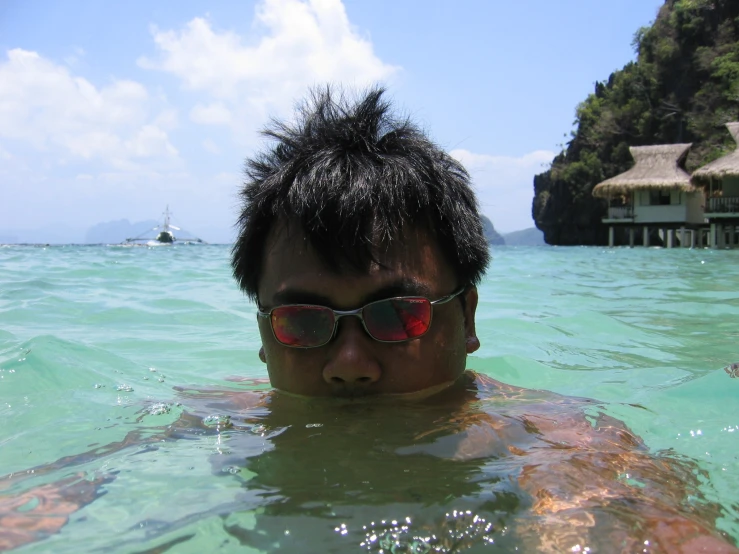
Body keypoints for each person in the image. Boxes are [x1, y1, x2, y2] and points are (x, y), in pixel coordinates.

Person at [2, 86, 738, 553]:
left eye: (397, 313)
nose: (348, 360)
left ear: (468, 314)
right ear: (261, 334)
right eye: (302, 320)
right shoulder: (205, 419)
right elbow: (40, 503)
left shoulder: (563, 444)